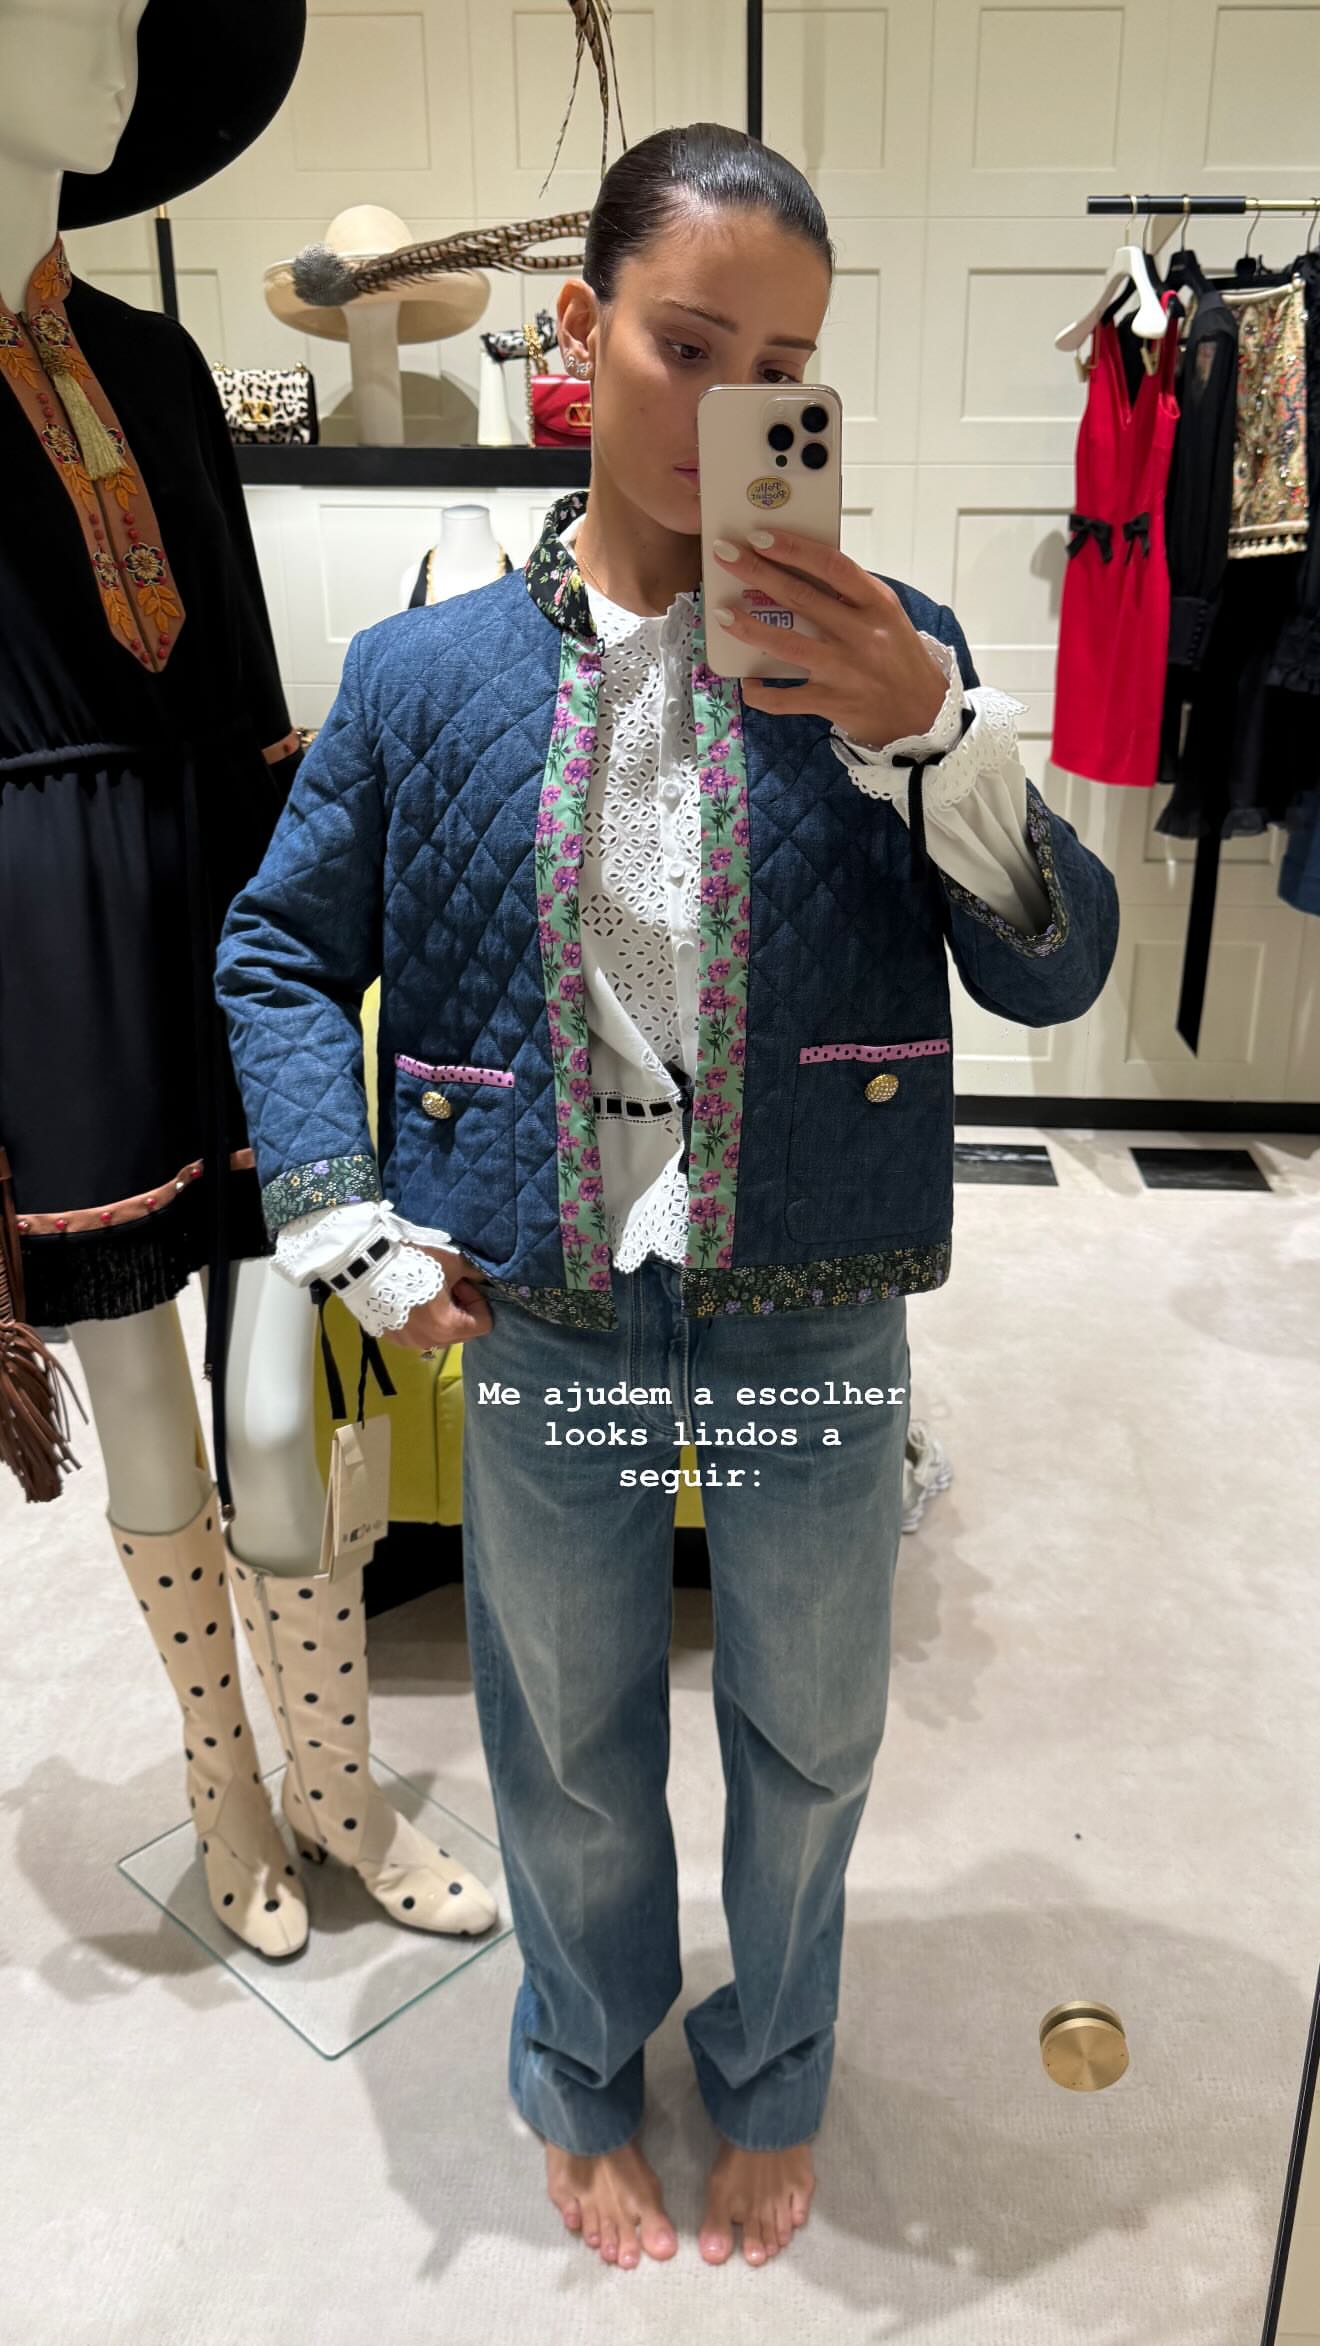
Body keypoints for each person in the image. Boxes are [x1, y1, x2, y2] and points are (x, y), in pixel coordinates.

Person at [215, 123, 1119, 2271]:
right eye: (687, 345)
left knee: (811, 1733)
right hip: (544, 1292)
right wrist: (343, 1213)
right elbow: (274, 951)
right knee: (566, 1739)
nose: (732, 405)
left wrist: (938, 736)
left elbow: (1055, 964)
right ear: (582, 329)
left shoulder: (895, 659)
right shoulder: (428, 676)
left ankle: (777, 2070)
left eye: (782, 369)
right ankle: (582, 2068)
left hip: (811, 1286)